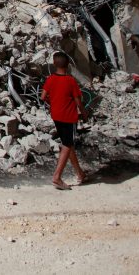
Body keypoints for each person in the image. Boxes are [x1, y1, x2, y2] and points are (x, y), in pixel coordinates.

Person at [41, 51, 88, 190]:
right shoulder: (71, 81)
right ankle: (57, 177)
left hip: (56, 115)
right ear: (68, 65)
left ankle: (80, 173)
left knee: (68, 143)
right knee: (67, 145)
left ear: (54, 64)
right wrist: (84, 114)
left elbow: (43, 97)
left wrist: (54, 102)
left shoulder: (50, 79)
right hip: (69, 117)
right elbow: (78, 101)